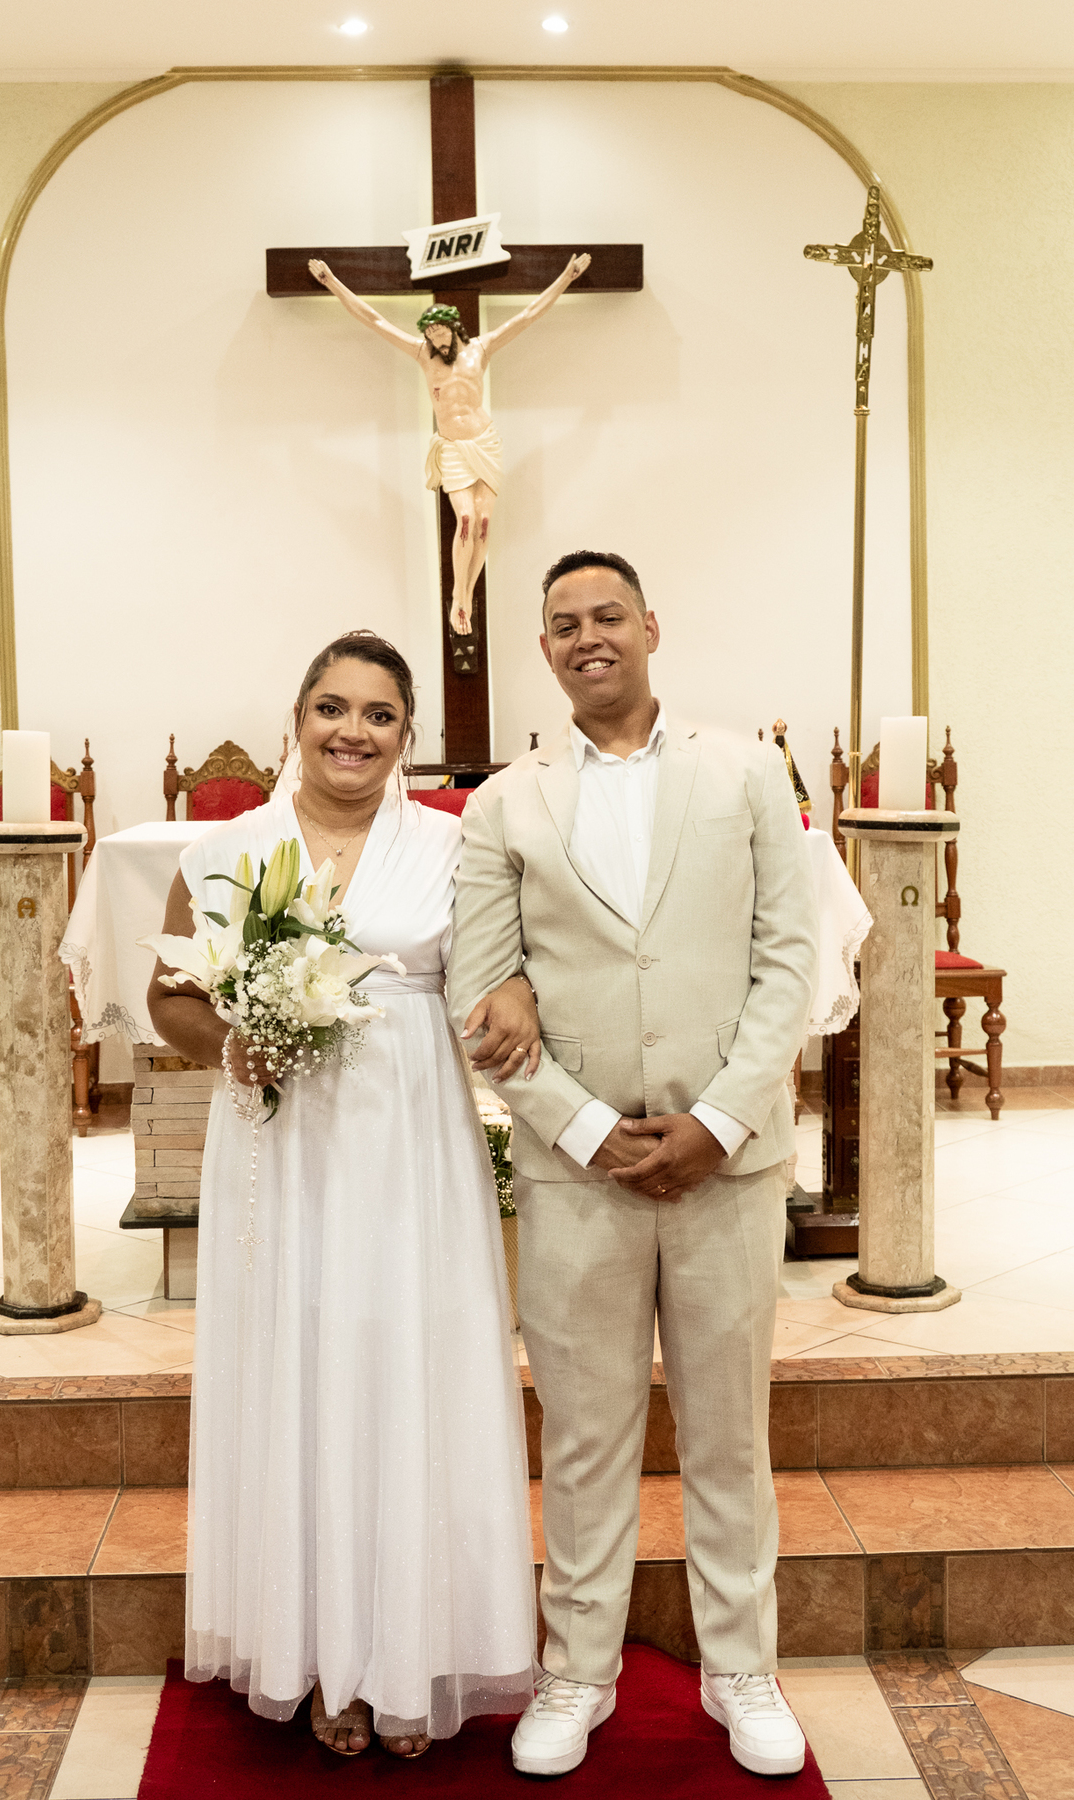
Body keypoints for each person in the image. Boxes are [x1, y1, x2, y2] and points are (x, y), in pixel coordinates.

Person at [446, 552, 819, 1780]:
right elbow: (481, 992)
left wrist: (716, 1118)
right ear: (544, 651)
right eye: (564, 625)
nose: (587, 637)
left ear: (651, 626)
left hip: (728, 1162)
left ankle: (741, 1668)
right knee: (589, 1433)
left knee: (728, 1431)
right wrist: (586, 1127)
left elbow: (789, 966)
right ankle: (577, 1673)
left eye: (608, 615)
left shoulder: (747, 772)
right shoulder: (506, 801)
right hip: (577, 1172)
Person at [147, 631, 542, 1760]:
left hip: (408, 1141)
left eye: (378, 714)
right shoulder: (226, 850)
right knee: (296, 1368)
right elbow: (166, 1001)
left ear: (407, 736)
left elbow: (500, 963)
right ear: (296, 717)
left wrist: (511, 988)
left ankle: (414, 1650)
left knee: (407, 1365)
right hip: (280, 1145)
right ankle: (316, 1653)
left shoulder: (454, 846)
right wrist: (232, 1041)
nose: (351, 732)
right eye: (331, 707)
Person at [307, 254, 591, 637]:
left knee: (485, 523)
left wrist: (566, 276)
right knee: (467, 521)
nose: (435, 340)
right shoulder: (424, 356)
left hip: (484, 443)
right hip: (454, 449)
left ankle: (468, 593)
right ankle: (459, 597)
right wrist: (330, 281)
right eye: (430, 335)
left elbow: (527, 316)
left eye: (440, 332)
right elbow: (373, 319)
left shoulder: (481, 350)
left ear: (453, 327)